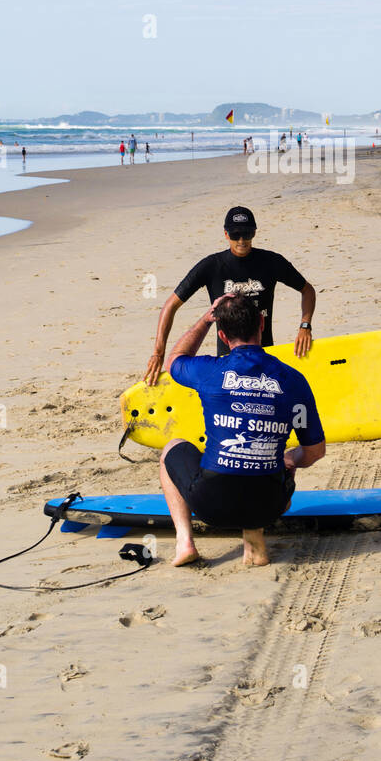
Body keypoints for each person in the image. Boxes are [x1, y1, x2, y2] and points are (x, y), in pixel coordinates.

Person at [160, 293, 325, 567]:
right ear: (262, 323)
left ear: (223, 336)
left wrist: (205, 319)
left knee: (172, 448)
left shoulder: (209, 370)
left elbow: (175, 359)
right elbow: (316, 452)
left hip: (211, 506)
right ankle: (254, 541)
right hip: (269, 506)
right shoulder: (293, 380)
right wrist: (291, 459)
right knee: (272, 457)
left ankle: (185, 543)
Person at [144, 205, 316, 385]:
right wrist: (158, 353)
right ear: (226, 234)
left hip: (265, 356)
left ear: (255, 233)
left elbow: (307, 290)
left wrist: (305, 325)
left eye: (247, 233)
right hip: (228, 362)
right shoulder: (211, 266)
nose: (241, 240)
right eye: (235, 235)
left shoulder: (272, 262)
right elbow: (171, 305)